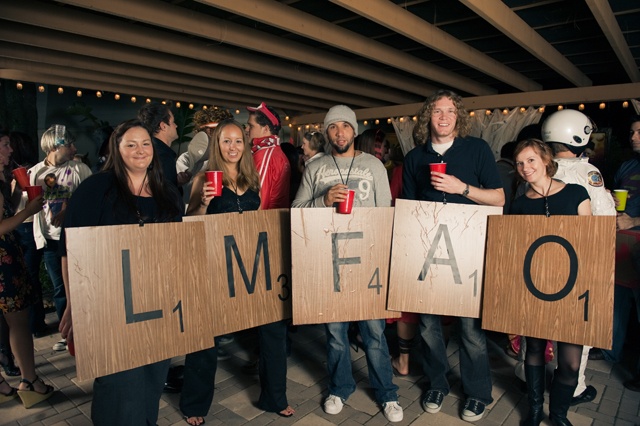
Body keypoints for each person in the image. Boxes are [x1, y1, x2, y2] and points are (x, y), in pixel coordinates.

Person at [58, 119, 183, 425]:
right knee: (119, 389)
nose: (140, 150)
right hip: (110, 308)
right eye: (131, 144)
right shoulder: (97, 188)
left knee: (152, 384)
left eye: (145, 144)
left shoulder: (168, 193)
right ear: (117, 148)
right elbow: (69, 250)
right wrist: (76, 305)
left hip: (158, 307)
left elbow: (179, 251)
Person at [292, 105, 403, 423]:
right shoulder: (316, 168)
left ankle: (387, 394)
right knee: (337, 334)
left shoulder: (374, 166)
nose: (339, 132)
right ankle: (340, 388)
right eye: (333, 127)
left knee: (374, 333)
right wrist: (323, 201)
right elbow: (297, 208)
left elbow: (386, 214)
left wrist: (384, 257)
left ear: (354, 130)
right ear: (326, 133)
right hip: (329, 261)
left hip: (367, 259)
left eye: (345, 126)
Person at [403, 89, 504, 422]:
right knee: (429, 326)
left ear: (458, 116)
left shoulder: (477, 150)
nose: (443, 117)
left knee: (470, 330)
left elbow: (500, 198)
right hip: (429, 251)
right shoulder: (415, 158)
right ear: (427, 118)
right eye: (436, 111)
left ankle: (477, 392)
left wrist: (461, 188)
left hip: (469, 250)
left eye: (449, 111)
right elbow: (407, 209)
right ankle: (437, 383)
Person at [181, 119, 273, 425]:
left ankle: (274, 394)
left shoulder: (253, 177)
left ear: (244, 145)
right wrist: (204, 203)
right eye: (225, 141)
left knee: (266, 327)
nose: (232, 147)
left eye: (237, 141)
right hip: (212, 265)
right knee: (205, 335)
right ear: (216, 145)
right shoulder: (203, 178)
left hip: (247, 264)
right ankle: (195, 404)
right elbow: (190, 222)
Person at [510, 138, 591, 426]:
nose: (525, 167)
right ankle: (534, 411)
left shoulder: (576, 194)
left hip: (572, 288)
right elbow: (514, 254)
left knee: (569, 362)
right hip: (535, 289)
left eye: (530, 160)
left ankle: (558, 415)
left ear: (546, 160)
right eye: (520, 163)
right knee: (534, 351)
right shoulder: (518, 206)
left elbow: (590, 245)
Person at [542, 109, 614, 406]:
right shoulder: (587, 173)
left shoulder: (538, 168)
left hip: (541, 258)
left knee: (534, 321)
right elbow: (605, 216)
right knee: (576, 328)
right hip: (576, 259)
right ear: (579, 135)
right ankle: (574, 387)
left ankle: (524, 374)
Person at [0, 130, 54, 408]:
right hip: (4, 261)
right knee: (19, 323)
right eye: (6, 145)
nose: (10, 150)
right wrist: (28, 212)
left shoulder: (4, 179)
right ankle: (29, 381)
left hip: (7, 257)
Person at [28, 125, 91, 352]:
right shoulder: (36, 173)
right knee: (60, 288)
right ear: (55, 146)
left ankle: (85, 328)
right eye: (69, 144)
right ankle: (67, 333)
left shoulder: (80, 169)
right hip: (50, 240)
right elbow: (30, 206)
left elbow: (91, 200)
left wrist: (69, 210)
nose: (74, 148)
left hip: (76, 238)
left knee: (81, 284)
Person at [602, 115, 640, 391]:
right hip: (622, 243)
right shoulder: (626, 166)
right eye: (631, 132)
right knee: (617, 302)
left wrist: (635, 221)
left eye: (639, 132)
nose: (633, 137)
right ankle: (608, 352)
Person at [176, 108, 234, 203]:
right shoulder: (186, 159)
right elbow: (182, 187)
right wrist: (182, 179)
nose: (210, 134)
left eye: (214, 130)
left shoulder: (232, 157)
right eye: (206, 130)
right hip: (194, 212)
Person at [245, 102, 291, 210]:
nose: (246, 129)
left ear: (265, 129)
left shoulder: (264, 155)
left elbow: (258, 200)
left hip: (263, 223)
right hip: (274, 220)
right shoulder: (274, 151)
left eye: (251, 126)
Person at [138, 102, 181, 188]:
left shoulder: (145, 152)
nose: (176, 126)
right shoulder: (163, 157)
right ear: (163, 126)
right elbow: (165, 196)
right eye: (173, 122)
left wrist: (176, 182)